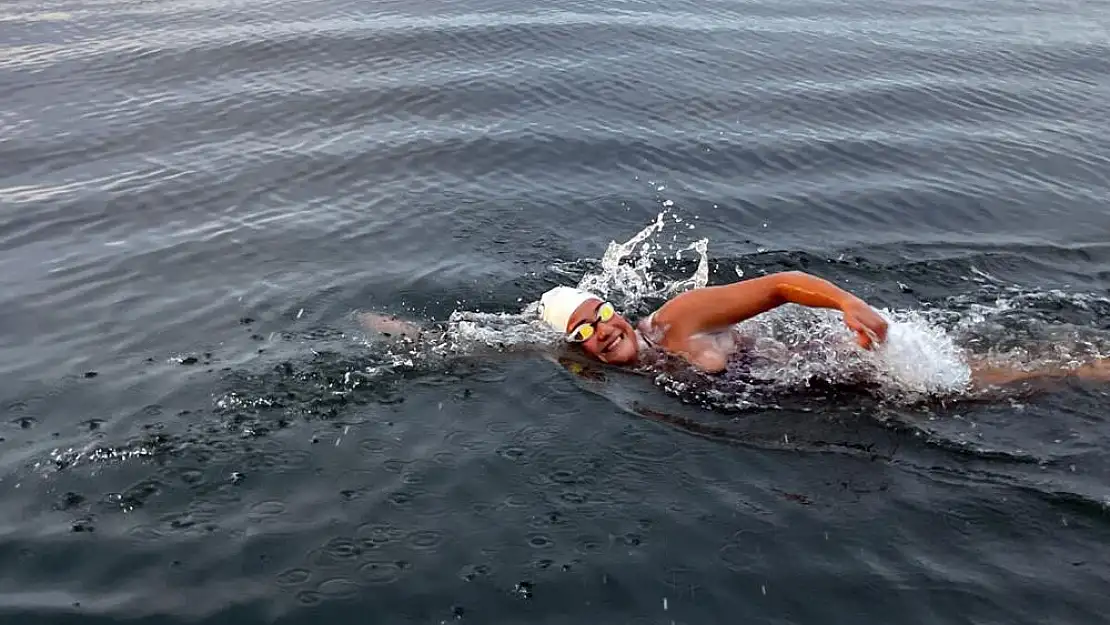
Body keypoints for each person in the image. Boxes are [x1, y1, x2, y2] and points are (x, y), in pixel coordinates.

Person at [360, 270, 1110, 392]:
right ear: (575, 346)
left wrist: (850, 307)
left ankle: (1095, 368)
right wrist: (399, 333)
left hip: (831, 363)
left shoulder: (677, 317)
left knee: (982, 379)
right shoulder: (593, 364)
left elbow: (782, 284)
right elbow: (473, 344)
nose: (602, 330)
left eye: (602, 312)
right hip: (803, 404)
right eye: (584, 332)